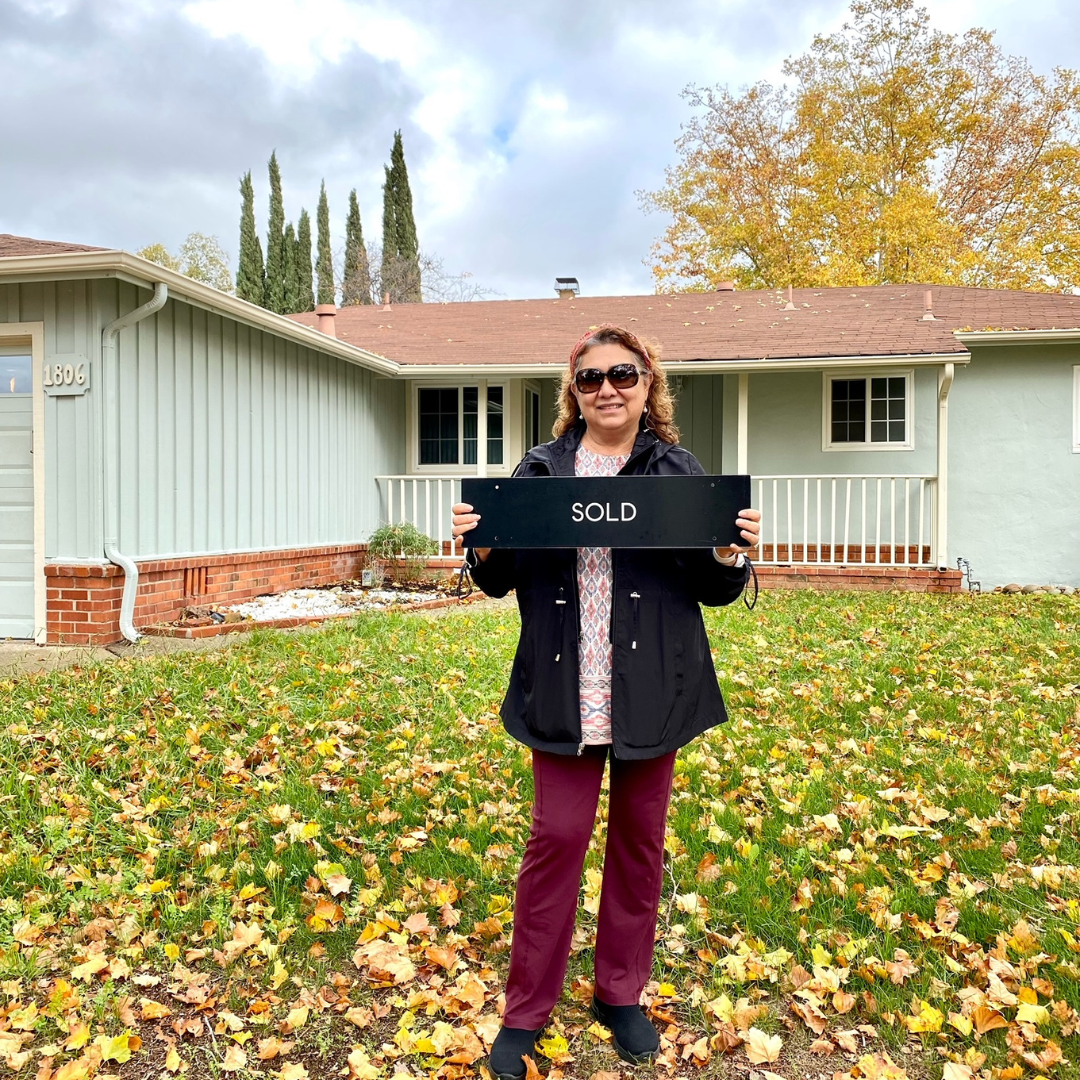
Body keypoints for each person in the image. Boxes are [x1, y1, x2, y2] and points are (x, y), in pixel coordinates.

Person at [451, 325, 761, 1080]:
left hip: (654, 685)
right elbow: (497, 578)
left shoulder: (677, 473)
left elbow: (713, 588)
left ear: (649, 385)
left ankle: (619, 992)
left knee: (638, 843)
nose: (608, 389)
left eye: (623, 374)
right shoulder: (539, 472)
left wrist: (729, 553)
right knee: (556, 839)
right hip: (564, 682)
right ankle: (526, 1010)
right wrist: (480, 544)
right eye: (591, 378)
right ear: (574, 392)